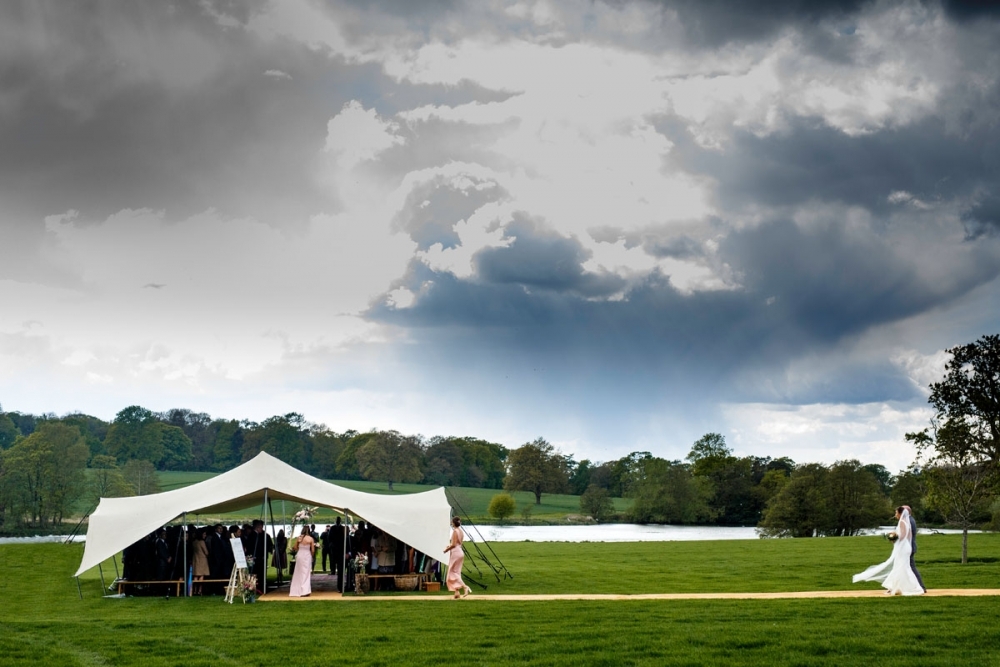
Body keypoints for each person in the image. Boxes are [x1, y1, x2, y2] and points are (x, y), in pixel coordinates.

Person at [853, 507, 925, 596]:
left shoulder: (902, 522)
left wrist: (894, 536)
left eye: (896, 512)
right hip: (906, 546)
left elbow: (902, 536)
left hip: (903, 547)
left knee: (902, 567)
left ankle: (910, 587)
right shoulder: (906, 522)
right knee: (902, 567)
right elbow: (907, 535)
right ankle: (898, 587)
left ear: (900, 513)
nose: (895, 514)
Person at [443, 516, 471, 599]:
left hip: (455, 552)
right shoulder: (461, 531)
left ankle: (464, 587)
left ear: (454, 523)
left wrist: (446, 549)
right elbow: (458, 543)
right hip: (460, 551)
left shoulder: (455, 531)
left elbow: (454, 544)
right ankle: (457, 592)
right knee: (456, 572)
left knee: (452, 572)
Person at [902, 505, 927, 592]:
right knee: (902, 567)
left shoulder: (908, 521)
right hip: (909, 547)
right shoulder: (910, 520)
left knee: (912, 568)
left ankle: (921, 586)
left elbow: (905, 535)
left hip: (908, 548)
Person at [289, 525, 315, 597]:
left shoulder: (299, 538)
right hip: (307, 555)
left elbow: (295, 547)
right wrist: (312, 556)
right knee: (306, 573)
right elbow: (312, 550)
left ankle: (297, 590)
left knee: (299, 572)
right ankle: (305, 591)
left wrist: (299, 544)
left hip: (300, 555)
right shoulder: (310, 539)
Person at [191, 528, 210, 595]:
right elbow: (206, 552)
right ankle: (199, 590)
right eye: (204, 534)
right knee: (202, 575)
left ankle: (194, 590)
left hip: (195, 560)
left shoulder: (194, 542)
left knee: (196, 576)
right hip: (202, 560)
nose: (205, 535)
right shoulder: (202, 542)